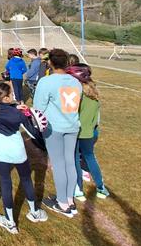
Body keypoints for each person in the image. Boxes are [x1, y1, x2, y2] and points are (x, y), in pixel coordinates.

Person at [0, 82, 48, 234]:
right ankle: (34, 212)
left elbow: (3, 109)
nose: (14, 96)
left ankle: (10, 222)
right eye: (12, 94)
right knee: (26, 179)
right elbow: (33, 133)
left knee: (5, 183)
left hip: (0, 151)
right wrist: (35, 122)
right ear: (6, 98)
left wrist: (15, 107)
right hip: (17, 151)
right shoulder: (17, 114)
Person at [34, 49, 82, 218]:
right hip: (73, 126)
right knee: (70, 162)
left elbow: (38, 108)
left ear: (51, 63)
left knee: (59, 164)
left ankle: (62, 202)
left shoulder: (46, 82)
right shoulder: (76, 82)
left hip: (54, 128)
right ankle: (69, 198)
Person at [66, 64, 110, 200]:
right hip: (89, 132)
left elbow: (69, 113)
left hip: (76, 132)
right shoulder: (94, 93)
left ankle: (78, 189)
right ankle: (101, 187)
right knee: (90, 158)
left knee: (75, 161)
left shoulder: (76, 94)